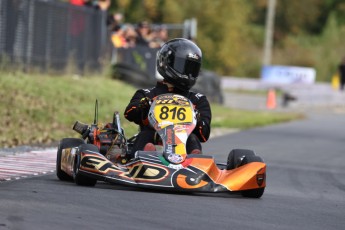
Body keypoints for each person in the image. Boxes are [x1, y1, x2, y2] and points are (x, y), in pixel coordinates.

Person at [124, 38, 212, 159]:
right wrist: (145, 105)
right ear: (166, 62)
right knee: (145, 135)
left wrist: (197, 117)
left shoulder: (198, 100)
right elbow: (129, 113)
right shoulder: (147, 94)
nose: (188, 73)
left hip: (183, 148)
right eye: (183, 66)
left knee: (193, 139)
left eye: (192, 68)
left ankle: (194, 162)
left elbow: (204, 135)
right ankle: (144, 157)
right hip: (153, 139)